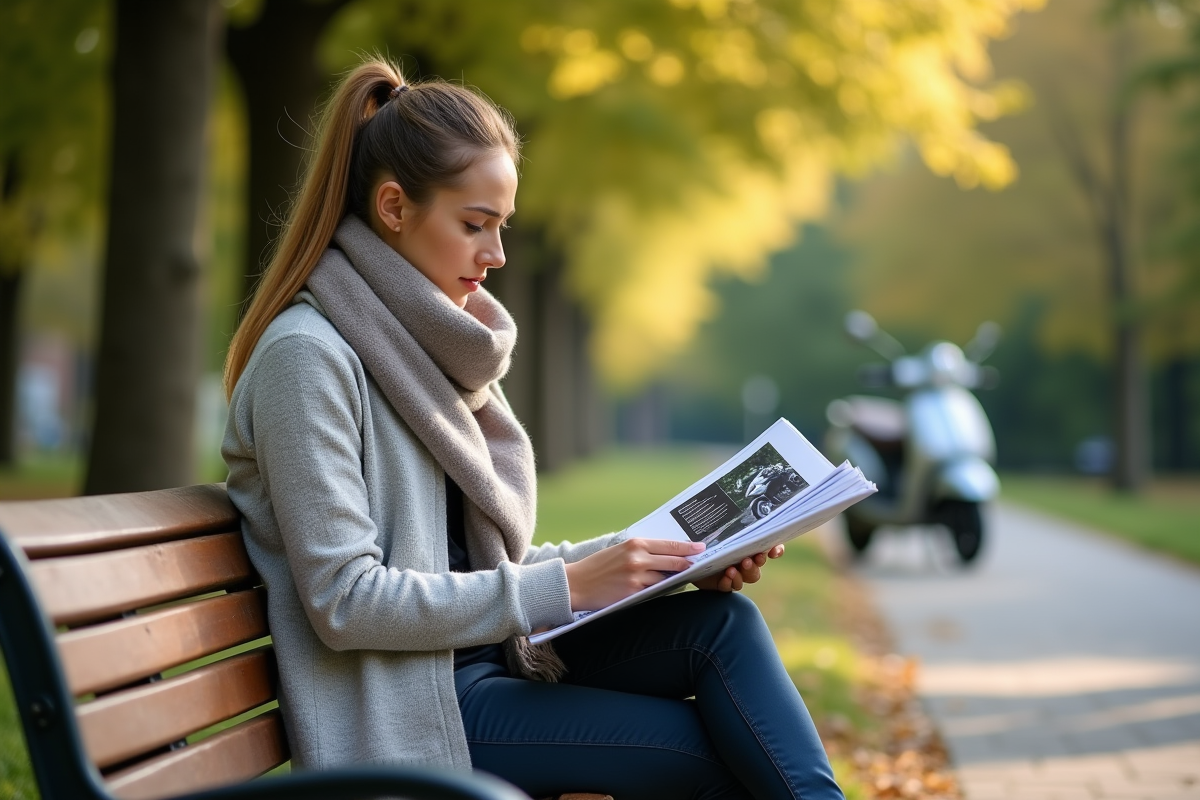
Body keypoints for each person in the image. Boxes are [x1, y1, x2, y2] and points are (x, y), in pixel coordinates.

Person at [222, 57, 844, 800]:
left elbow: (470, 568)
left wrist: (663, 559)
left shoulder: (417, 346)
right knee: (709, 754)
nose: (497, 255)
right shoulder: (308, 358)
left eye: (502, 226)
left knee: (722, 626)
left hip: (483, 661)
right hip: (413, 710)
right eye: (474, 225)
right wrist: (568, 585)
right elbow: (345, 600)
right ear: (393, 207)